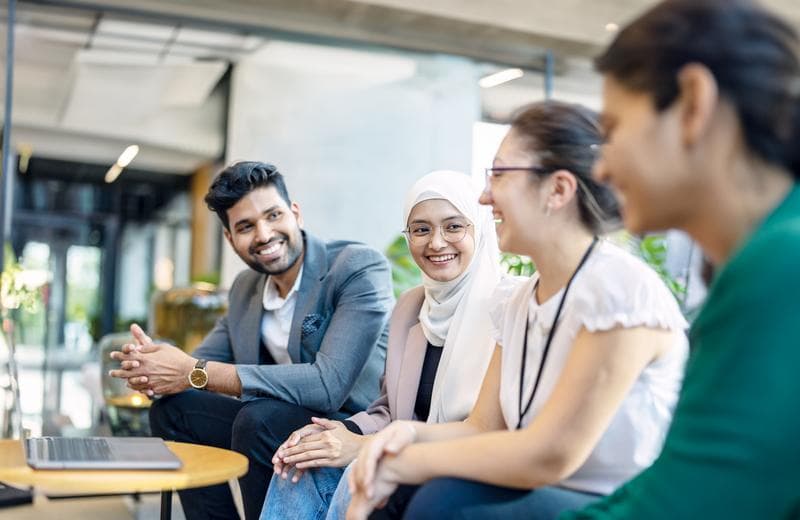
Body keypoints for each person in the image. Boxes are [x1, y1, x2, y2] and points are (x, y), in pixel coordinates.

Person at [346, 100, 690, 520]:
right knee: (409, 493)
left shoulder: (621, 293)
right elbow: (482, 427)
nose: (484, 195)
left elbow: (551, 455)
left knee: (443, 501)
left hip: (626, 504)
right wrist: (400, 437)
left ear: (558, 190)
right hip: (542, 492)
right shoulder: (519, 301)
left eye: (500, 175)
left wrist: (408, 462)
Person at [563, 0, 800, 518]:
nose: (600, 168)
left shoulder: (781, 265)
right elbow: (683, 474)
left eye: (612, 131)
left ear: (694, 104)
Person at [108, 161, 394, 520]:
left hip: (346, 425)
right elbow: (197, 365)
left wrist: (191, 371)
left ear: (295, 213)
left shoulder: (355, 267)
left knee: (258, 421)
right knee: (175, 410)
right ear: (230, 238)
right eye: (245, 226)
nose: (263, 234)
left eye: (273, 215)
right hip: (276, 422)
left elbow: (328, 385)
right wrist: (155, 370)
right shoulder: (246, 289)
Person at [260, 170, 504, 519]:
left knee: (358, 477)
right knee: (302, 462)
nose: (436, 243)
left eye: (453, 227)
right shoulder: (411, 307)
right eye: (421, 229)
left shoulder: (506, 307)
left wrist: (364, 446)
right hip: (396, 449)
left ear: (479, 228)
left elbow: (489, 429)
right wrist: (337, 434)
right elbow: (390, 410)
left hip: (463, 461)